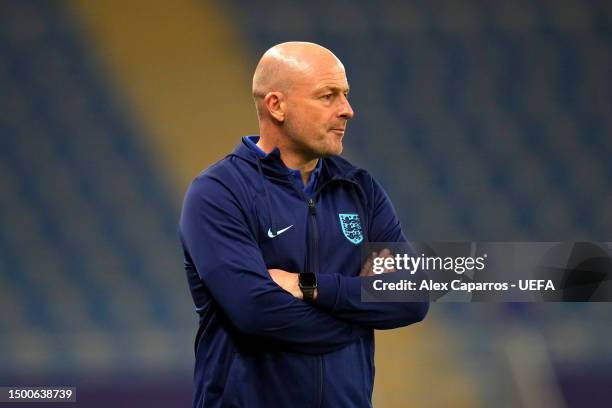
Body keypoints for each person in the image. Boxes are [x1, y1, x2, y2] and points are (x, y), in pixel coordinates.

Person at [179, 41, 428, 408]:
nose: (347, 110)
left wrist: (309, 287)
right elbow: (257, 312)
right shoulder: (219, 193)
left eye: (345, 95)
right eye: (328, 96)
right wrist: (360, 314)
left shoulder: (360, 190)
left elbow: (412, 298)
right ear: (276, 105)